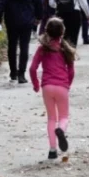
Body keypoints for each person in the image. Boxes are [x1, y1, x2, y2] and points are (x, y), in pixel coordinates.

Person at [29, 18, 76, 161]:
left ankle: (52, 150)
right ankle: (61, 130)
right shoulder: (65, 49)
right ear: (62, 32)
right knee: (64, 117)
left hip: (47, 87)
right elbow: (71, 71)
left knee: (51, 118)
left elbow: (32, 68)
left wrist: (36, 84)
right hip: (62, 86)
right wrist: (68, 84)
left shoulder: (43, 49)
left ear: (46, 31)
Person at [0, 0, 43, 84]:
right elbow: (39, 2)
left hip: (11, 20)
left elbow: (0, 2)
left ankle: (13, 73)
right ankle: (22, 74)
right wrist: (38, 17)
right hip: (27, 20)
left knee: (12, 46)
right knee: (24, 46)